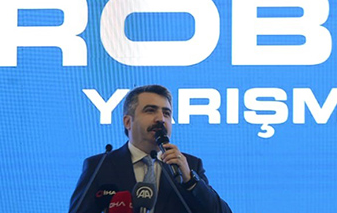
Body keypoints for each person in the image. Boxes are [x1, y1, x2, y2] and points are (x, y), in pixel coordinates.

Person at [68, 85, 233, 213]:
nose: (161, 119)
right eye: (150, 110)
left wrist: (190, 180)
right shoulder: (100, 166)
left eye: (166, 113)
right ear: (128, 122)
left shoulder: (189, 166)